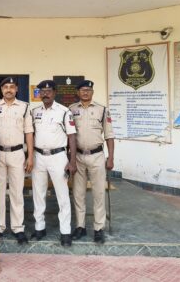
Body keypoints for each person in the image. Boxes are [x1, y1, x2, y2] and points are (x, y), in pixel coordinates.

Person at [0, 77, 34, 245]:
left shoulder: (24, 107)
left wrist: (30, 156)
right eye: (6, 87)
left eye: (12, 87)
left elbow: (29, 132)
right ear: (1, 90)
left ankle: (18, 228)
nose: (9, 89)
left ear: (17, 89)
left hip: (17, 153)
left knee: (17, 192)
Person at [30, 80, 77, 247]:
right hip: (38, 156)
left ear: (55, 92)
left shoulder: (64, 112)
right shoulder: (34, 112)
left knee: (62, 196)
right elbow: (30, 135)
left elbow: (72, 137)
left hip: (58, 157)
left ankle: (65, 231)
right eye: (42, 91)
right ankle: (39, 228)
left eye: (48, 91)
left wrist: (72, 161)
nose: (45, 94)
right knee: (38, 194)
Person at [69, 80, 115, 244]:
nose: (85, 92)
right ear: (78, 92)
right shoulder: (71, 110)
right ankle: (80, 227)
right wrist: (70, 159)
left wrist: (111, 157)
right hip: (78, 157)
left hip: (97, 156)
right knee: (78, 194)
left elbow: (109, 135)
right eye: (82, 90)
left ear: (92, 92)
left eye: (88, 90)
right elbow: (69, 135)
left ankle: (98, 228)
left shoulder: (102, 110)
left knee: (98, 193)